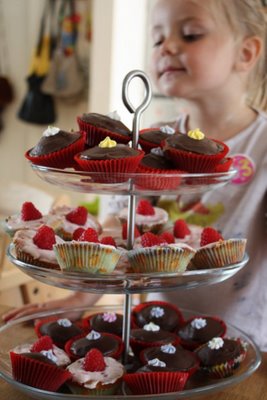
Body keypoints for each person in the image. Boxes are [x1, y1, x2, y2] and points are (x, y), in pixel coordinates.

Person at [3, 0, 267, 351]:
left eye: (190, 34)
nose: (167, 47)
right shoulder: (148, 143)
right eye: (157, 39)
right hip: (152, 334)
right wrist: (81, 295)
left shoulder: (261, 145)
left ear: (246, 53)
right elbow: (117, 228)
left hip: (245, 340)